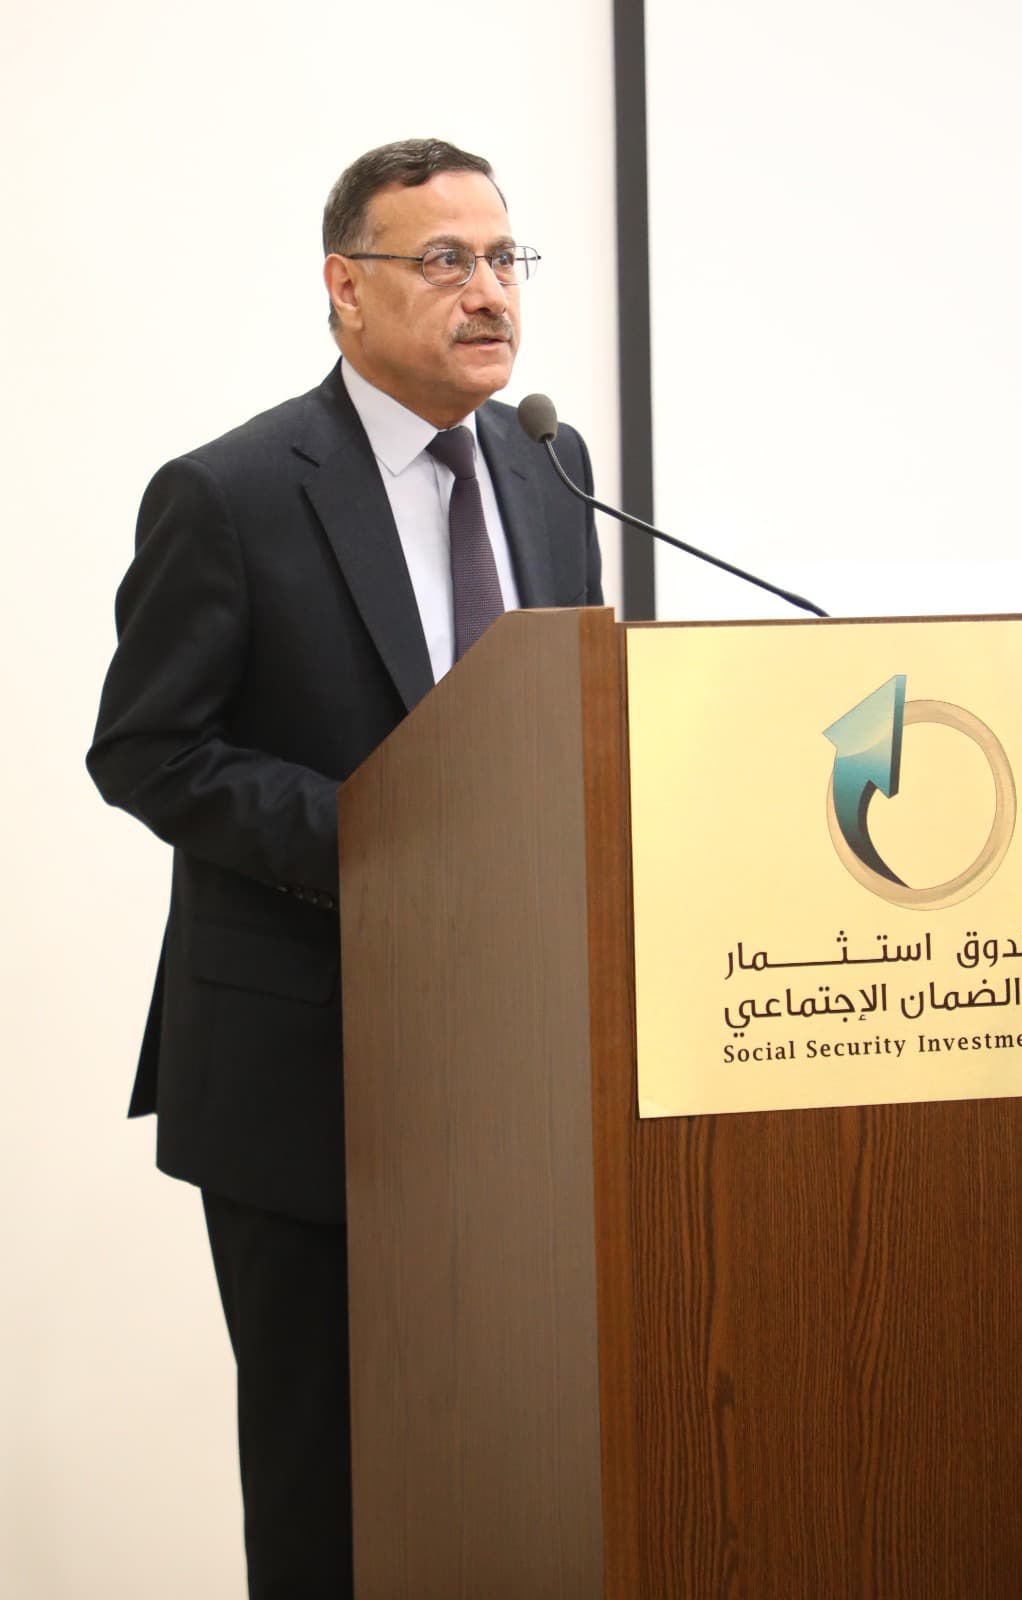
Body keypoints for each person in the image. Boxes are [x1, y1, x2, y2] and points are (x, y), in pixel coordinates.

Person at [87, 137, 603, 1597]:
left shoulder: (551, 465)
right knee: (329, 1495)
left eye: (504, 259)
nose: (489, 291)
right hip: (305, 1070)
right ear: (345, 285)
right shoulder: (233, 491)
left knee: (512, 1473)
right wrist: (394, 846)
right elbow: (149, 750)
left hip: (517, 1073)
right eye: (445, 261)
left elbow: (569, 716)